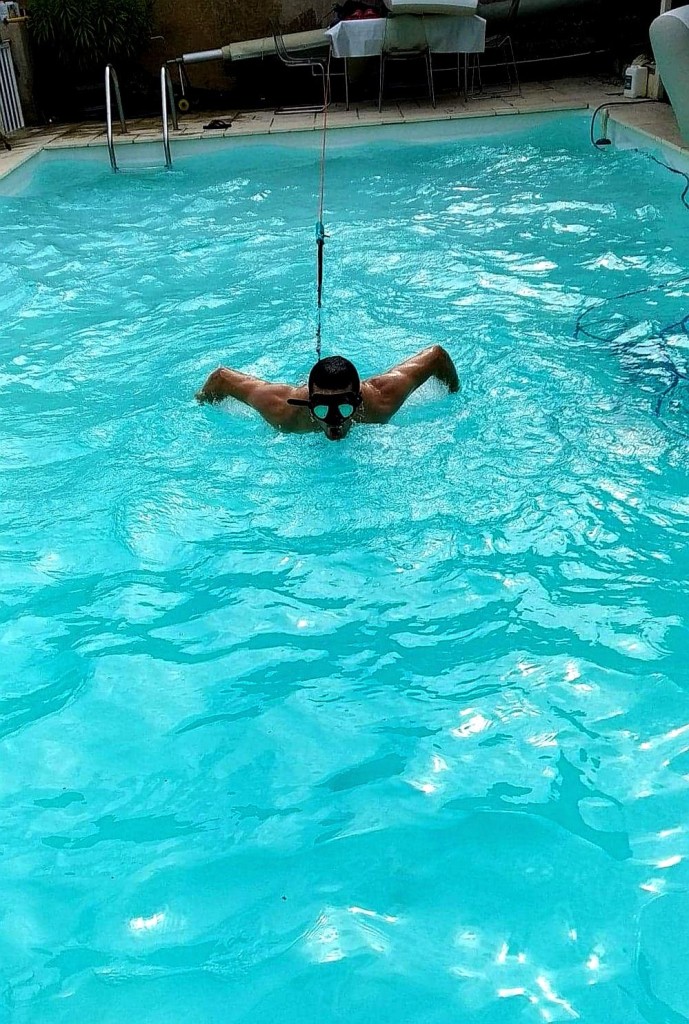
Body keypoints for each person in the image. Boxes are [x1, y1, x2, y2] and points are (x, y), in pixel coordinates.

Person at [196, 345, 459, 442]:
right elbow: (221, 379)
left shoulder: (380, 401)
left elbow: (436, 356)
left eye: (344, 408)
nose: (334, 419)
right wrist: (199, 408)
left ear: (358, 402)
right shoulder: (285, 412)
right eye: (322, 408)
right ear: (308, 404)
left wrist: (455, 397)